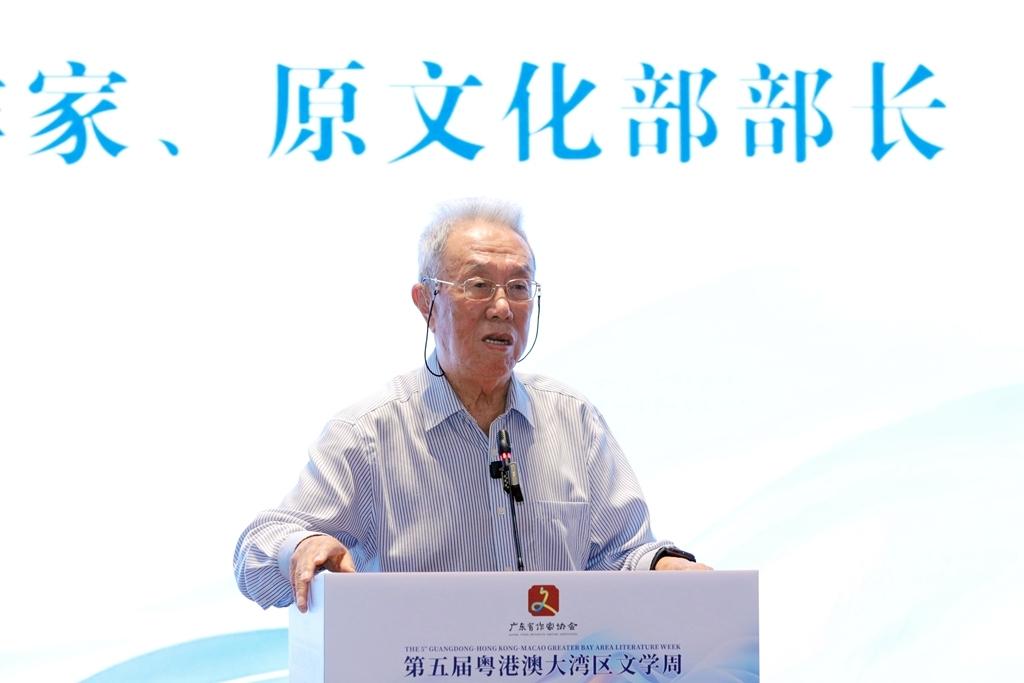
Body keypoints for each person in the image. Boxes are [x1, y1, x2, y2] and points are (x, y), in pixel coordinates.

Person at [233, 198, 710, 612]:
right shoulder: (369, 433)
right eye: (479, 285)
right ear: (426, 302)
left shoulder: (573, 420)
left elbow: (621, 554)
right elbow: (256, 552)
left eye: (519, 288)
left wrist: (664, 566)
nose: (502, 307)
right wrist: (304, 545)